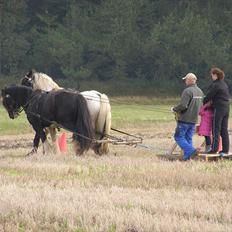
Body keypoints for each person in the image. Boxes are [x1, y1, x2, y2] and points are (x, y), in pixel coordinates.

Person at [172, 73, 204, 160]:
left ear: (189, 80)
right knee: (188, 138)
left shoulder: (187, 91)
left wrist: (174, 109)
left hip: (184, 119)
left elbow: (183, 105)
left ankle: (191, 151)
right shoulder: (200, 91)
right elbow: (201, 106)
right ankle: (188, 157)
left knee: (178, 137)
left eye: (186, 80)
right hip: (194, 120)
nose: (185, 81)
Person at [203, 67, 230, 156]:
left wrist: (203, 102)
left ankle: (214, 149)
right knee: (224, 130)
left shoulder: (216, 84)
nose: (211, 76)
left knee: (216, 129)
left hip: (219, 109)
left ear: (215, 75)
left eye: (212, 75)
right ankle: (225, 149)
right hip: (226, 108)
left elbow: (209, 96)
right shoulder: (224, 84)